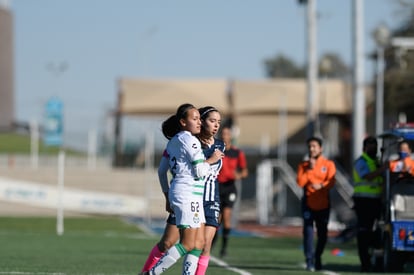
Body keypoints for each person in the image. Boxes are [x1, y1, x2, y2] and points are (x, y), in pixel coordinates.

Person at [139, 105, 224, 275]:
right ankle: (150, 273)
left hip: (194, 195)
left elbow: (162, 171)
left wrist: (167, 196)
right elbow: (199, 171)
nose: (199, 122)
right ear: (183, 122)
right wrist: (212, 160)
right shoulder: (191, 141)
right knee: (186, 244)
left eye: (199, 119)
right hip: (187, 194)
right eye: (196, 119)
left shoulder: (174, 141)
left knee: (199, 243)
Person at [297, 136, 336, 271]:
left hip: (323, 203)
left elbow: (331, 181)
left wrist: (322, 185)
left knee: (323, 234)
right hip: (308, 203)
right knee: (308, 232)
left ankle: (317, 255)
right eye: (310, 146)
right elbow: (300, 182)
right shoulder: (303, 166)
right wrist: (309, 170)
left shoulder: (328, 164)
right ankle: (309, 260)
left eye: (314, 146)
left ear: (320, 148)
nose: (311, 149)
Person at [353, 136, 387, 272]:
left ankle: (377, 261)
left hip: (376, 201)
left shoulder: (377, 162)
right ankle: (365, 263)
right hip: (363, 201)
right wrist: (383, 169)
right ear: (364, 148)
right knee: (364, 232)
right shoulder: (361, 162)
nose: (373, 148)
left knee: (378, 232)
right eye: (370, 145)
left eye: (374, 145)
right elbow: (367, 176)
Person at [216, 125, 248, 258]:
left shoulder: (237, 153)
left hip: (230, 188)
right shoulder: (216, 151)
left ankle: (224, 248)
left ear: (231, 136)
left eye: (227, 134)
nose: (225, 136)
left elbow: (245, 171)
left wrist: (238, 175)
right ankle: (212, 243)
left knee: (227, 216)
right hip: (217, 186)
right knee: (217, 219)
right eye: (223, 134)